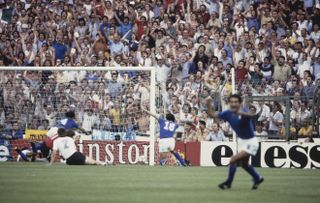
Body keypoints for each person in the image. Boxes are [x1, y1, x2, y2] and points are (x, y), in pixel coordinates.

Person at [205, 94, 264, 190]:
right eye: (231, 102)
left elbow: (250, 115)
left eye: (236, 102)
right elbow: (213, 115)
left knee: (233, 160)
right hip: (242, 141)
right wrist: (208, 105)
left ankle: (228, 182)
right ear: (229, 103)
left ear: (240, 103)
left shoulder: (244, 111)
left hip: (251, 142)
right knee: (244, 164)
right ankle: (258, 178)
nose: (233, 104)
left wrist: (241, 113)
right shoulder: (228, 113)